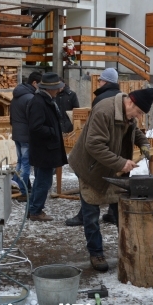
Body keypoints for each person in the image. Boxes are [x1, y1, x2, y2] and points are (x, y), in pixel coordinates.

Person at [68, 88, 153, 272]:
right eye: (139, 112)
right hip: (90, 169)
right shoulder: (104, 111)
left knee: (120, 212)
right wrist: (120, 163)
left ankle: (127, 248)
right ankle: (96, 252)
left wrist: (144, 144)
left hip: (112, 167)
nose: (138, 117)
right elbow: (93, 144)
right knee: (91, 216)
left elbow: (134, 130)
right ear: (130, 102)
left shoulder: (128, 113)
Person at [65, 67, 122, 227]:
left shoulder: (101, 99)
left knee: (90, 185)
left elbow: (94, 137)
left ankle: (85, 217)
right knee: (114, 183)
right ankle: (112, 214)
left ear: (105, 81)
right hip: (115, 151)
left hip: (101, 152)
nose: (98, 82)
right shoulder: (120, 98)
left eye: (100, 80)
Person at [27, 72, 68, 222]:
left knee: (40, 181)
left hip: (45, 149)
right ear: (49, 89)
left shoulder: (45, 100)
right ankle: (36, 211)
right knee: (43, 182)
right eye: (56, 88)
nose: (58, 90)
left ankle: (33, 209)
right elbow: (36, 127)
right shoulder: (39, 102)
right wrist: (53, 132)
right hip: (44, 150)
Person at [10, 72, 42, 199]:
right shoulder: (30, 97)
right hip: (26, 135)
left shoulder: (16, 96)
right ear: (34, 83)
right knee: (25, 163)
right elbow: (32, 119)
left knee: (20, 162)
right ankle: (22, 191)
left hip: (17, 133)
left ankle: (15, 186)